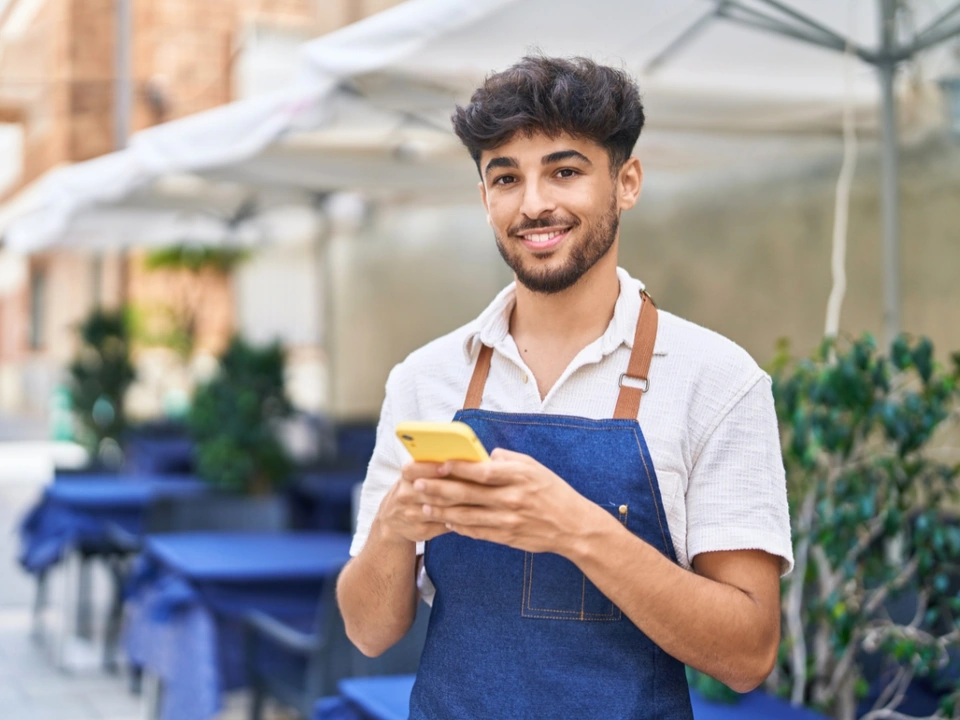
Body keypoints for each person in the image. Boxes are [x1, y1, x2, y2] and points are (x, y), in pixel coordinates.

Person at [336, 55, 794, 719]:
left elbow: (748, 655)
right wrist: (394, 529)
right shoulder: (424, 379)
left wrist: (577, 530)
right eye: (506, 177)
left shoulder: (717, 381)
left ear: (626, 181)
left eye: (565, 171)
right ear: (485, 197)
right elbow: (367, 631)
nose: (534, 204)